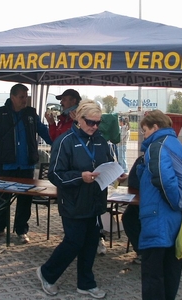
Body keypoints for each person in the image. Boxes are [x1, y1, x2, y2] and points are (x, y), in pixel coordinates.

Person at [37, 100, 127, 299]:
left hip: (95, 200)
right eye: (90, 122)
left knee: (90, 242)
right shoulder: (64, 141)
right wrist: (80, 177)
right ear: (78, 119)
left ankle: (86, 283)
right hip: (73, 201)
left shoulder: (100, 139)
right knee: (74, 242)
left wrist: (116, 173)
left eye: (97, 123)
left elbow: (107, 162)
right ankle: (47, 273)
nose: (94, 127)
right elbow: (55, 175)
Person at [0, 83, 52, 243]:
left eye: (26, 96)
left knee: (25, 201)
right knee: (2, 199)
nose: (25, 100)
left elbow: (45, 132)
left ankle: (21, 230)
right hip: (7, 164)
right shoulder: (0, 114)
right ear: (13, 97)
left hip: (27, 165)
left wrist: (60, 143)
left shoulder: (31, 114)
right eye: (22, 97)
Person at [137, 110, 182, 299]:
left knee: (153, 273)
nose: (144, 134)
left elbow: (165, 181)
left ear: (155, 127)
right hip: (173, 218)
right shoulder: (175, 144)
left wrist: (175, 203)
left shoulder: (157, 146)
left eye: (144, 130)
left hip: (158, 215)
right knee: (170, 269)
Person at [121, 154, 143, 264]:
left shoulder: (155, 157)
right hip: (138, 200)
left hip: (152, 202)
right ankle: (141, 251)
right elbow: (133, 183)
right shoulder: (141, 159)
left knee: (130, 218)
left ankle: (142, 252)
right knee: (129, 217)